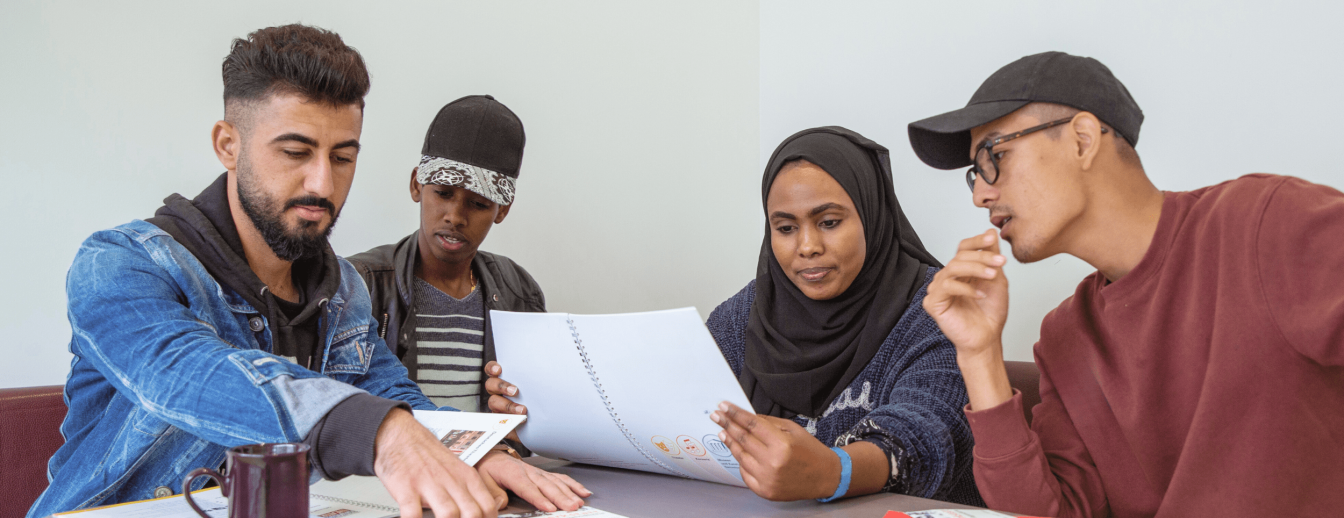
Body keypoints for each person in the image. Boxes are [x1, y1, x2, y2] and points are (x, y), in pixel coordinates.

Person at [29, 25, 585, 518]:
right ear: (229, 144)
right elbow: (189, 374)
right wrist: (381, 432)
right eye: (295, 152)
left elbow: (384, 386)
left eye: (342, 157)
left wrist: (477, 449)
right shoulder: (121, 263)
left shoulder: (341, 287)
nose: (322, 183)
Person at [908, 51, 1344, 517]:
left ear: (1081, 139)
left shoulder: (1265, 224)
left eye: (994, 155)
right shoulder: (1066, 336)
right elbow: (1046, 513)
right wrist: (979, 355)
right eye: (975, 174)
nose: (980, 194)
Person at [484, 127, 983, 505]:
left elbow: (929, 438)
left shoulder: (935, 307)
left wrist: (835, 470)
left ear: (873, 215)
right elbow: (662, 415)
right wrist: (539, 417)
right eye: (785, 228)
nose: (807, 247)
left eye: (829, 222)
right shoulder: (749, 313)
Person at [347, 95, 543, 413]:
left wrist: (522, 417)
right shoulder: (360, 283)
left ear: (502, 210)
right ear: (416, 185)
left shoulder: (519, 291)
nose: (455, 216)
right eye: (443, 193)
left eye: (478, 203)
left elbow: (540, 412)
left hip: (494, 461)